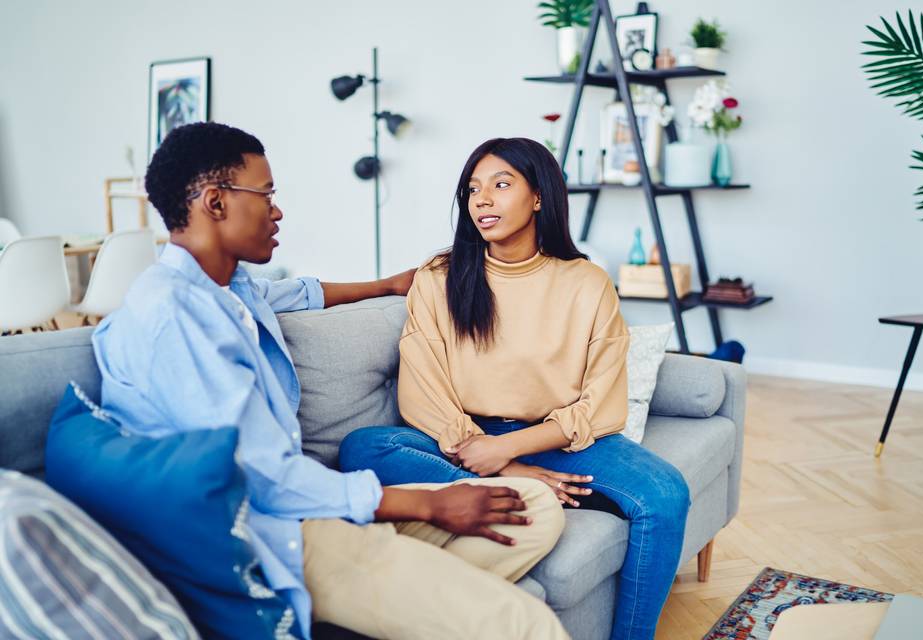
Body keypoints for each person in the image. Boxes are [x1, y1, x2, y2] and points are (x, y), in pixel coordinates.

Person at [92, 123, 569, 640]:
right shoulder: (172, 317)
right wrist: (429, 505)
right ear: (215, 202)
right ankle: (416, 598)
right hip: (272, 533)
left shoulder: (228, 289)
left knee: (534, 505)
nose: (277, 211)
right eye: (266, 195)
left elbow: (299, 293)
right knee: (526, 624)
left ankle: (404, 604)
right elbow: (262, 478)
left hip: (317, 508)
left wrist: (386, 284)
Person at [339, 137, 690, 640]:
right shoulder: (440, 277)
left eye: (501, 185)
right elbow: (422, 388)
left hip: (557, 442)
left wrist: (510, 448)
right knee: (364, 446)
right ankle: (525, 482)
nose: (482, 200)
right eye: (473, 190)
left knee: (665, 494)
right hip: (462, 441)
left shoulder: (586, 282)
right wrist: (501, 461)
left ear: (539, 197)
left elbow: (602, 403)